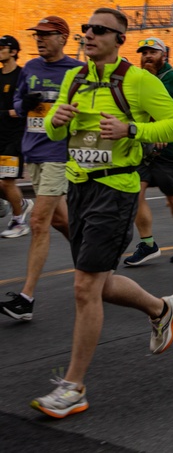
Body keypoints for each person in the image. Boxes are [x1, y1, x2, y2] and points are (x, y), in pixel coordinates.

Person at [32, 8, 173, 418]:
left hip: (116, 190)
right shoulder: (75, 78)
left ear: (120, 39)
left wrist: (131, 130)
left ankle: (73, 386)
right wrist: (56, 120)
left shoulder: (139, 81)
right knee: (97, 283)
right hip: (78, 186)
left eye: (99, 30)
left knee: (84, 287)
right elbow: (54, 132)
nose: (88, 35)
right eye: (86, 28)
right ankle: (160, 308)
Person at [1, 17, 82, 321]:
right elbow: (18, 103)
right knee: (62, 222)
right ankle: (96, 263)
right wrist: (27, 104)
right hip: (33, 150)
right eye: (37, 35)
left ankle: (26, 299)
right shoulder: (31, 69)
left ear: (63, 37)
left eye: (46, 35)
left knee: (38, 223)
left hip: (58, 153)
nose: (39, 40)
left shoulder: (76, 71)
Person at [124, 38, 173, 266]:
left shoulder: (172, 78)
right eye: (144, 52)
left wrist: (167, 133)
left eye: (152, 52)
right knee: (135, 194)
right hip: (143, 148)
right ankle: (148, 244)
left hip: (169, 149)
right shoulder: (140, 79)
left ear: (163, 56)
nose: (147, 56)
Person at [0, 35, 31, 238]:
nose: (0, 50)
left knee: (6, 182)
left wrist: (13, 111)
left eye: (3, 47)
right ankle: (21, 202)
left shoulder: (21, 76)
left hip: (15, 138)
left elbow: (23, 108)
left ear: (13, 51)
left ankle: (19, 222)